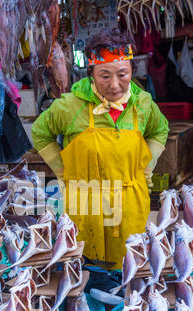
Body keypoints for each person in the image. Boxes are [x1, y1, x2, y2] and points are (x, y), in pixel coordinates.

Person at [32, 29, 169, 271]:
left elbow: (161, 130)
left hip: (130, 204)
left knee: (130, 268)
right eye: (104, 76)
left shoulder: (143, 104)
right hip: (85, 202)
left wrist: (147, 167)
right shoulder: (69, 106)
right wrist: (61, 170)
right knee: (84, 269)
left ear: (131, 71)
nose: (114, 85)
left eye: (122, 74)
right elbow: (40, 133)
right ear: (91, 73)